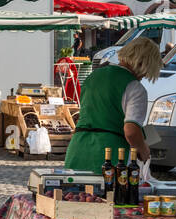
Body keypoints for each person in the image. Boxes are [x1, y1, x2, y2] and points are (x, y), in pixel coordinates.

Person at [64, 36, 163, 172]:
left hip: (78, 149)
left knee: (77, 193)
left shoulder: (93, 77)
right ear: (144, 65)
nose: (144, 76)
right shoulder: (135, 87)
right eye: (147, 72)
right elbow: (131, 131)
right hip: (111, 155)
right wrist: (144, 150)